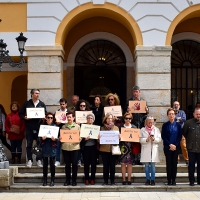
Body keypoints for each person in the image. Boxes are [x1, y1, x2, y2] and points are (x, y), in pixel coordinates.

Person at [19, 89, 47, 168]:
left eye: (38, 93)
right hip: (29, 127)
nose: (37, 95)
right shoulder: (27, 103)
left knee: (39, 143)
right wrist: (24, 117)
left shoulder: (42, 104)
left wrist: (44, 118)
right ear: (32, 94)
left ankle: (38, 160)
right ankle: (30, 160)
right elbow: (20, 113)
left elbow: (45, 113)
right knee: (29, 144)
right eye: (36, 93)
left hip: (39, 127)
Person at [127, 86, 149, 165]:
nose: (136, 93)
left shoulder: (143, 102)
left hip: (141, 124)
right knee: (132, 142)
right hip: (132, 124)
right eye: (134, 92)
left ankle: (139, 159)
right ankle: (132, 159)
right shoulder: (129, 101)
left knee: (140, 142)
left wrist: (147, 111)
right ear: (133, 93)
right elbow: (126, 114)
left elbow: (146, 114)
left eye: (137, 92)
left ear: (139, 92)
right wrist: (128, 110)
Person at [162, 108, 182, 186]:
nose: (171, 115)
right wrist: (170, 144)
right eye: (170, 114)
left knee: (174, 164)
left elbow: (179, 136)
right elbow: (163, 136)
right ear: (167, 115)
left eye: (172, 114)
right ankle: (169, 180)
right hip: (167, 147)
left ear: (175, 115)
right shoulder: (165, 125)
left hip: (175, 147)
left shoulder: (178, 125)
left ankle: (173, 179)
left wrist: (175, 145)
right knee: (168, 164)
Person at [140, 116, 161, 186]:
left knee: (152, 165)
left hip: (153, 149)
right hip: (146, 149)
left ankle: (152, 180)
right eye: (149, 122)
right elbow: (140, 139)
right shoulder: (142, 130)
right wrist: (146, 139)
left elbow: (159, 139)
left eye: (152, 122)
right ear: (146, 122)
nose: (150, 124)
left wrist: (154, 139)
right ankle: (147, 179)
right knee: (146, 165)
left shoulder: (156, 129)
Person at [61, 112, 81, 186]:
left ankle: (74, 180)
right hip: (65, 148)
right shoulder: (63, 127)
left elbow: (81, 136)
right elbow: (61, 137)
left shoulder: (77, 127)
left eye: (70, 117)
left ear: (73, 118)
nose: (69, 118)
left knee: (74, 165)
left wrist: (80, 138)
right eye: (68, 117)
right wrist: (61, 138)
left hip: (74, 148)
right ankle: (67, 180)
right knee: (67, 165)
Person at [99, 113, 119, 185]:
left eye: (111, 118)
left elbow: (118, 140)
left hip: (113, 149)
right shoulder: (102, 128)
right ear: (105, 119)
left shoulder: (116, 128)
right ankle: (105, 181)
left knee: (112, 166)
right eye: (108, 118)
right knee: (106, 166)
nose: (109, 120)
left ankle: (112, 181)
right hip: (104, 150)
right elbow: (99, 141)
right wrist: (99, 138)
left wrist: (119, 137)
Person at [183, 108, 200, 186]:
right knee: (191, 166)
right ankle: (191, 180)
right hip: (191, 148)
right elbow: (185, 134)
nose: (198, 116)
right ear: (193, 114)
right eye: (197, 114)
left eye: (199, 114)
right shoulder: (188, 123)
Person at [40, 112, 57, 187]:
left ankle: (52, 180)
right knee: (45, 165)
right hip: (45, 148)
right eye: (48, 117)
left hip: (52, 148)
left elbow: (59, 138)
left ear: (53, 119)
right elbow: (38, 139)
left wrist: (55, 139)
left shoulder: (55, 127)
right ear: (46, 119)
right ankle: (45, 180)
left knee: (52, 165)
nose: (50, 119)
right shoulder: (43, 127)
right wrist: (42, 139)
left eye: (51, 118)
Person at [119, 112, 136, 185]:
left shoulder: (134, 127)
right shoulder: (121, 127)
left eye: (129, 118)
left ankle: (129, 179)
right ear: (124, 119)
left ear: (131, 119)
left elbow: (136, 137)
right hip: (123, 147)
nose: (128, 120)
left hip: (131, 147)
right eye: (126, 118)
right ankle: (123, 179)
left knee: (129, 164)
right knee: (123, 164)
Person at [81, 113, 97, 185]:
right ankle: (86, 178)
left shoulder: (96, 128)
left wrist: (98, 138)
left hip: (94, 148)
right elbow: (80, 139)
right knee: (86, 164)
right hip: (86, 148)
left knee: (93, 164)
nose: (90, 120)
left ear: (93, 120)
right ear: (86, 120)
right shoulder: (83, 127)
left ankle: (93, 178)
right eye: (88, 118)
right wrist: (85, 139)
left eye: (91, 118)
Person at [75, 99, 90, 167]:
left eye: (84, 105)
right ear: (79, 106)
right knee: (79, 146)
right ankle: (79, 160)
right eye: (81, 105)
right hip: (78, 131)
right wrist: (76, 122)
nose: (82, 107)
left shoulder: (89, 113)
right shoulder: (76, 114)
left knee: (84, 146)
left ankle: (84, 160)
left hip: (86, 130)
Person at [55, 98, 68, 167]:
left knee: (67, 147)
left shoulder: (69, 112)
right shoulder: (57, 112)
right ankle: (57, 160)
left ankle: (67, 161)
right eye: (61, 104)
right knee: (58, 147)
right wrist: (57, 123)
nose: (62, 105)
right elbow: (54, 122)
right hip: (59, 132)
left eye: (63, 104)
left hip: (67, 132)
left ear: (66, 104)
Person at [90, 95, 104, 164]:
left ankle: (101, 157)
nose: (96, 101)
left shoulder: (103, 109)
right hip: (93, 128)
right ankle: (96, 158)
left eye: (97, 100)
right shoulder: (91, 108)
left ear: (100, 101)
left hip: (101, 127)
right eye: (95, 100)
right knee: (95, 143)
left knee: (100, 143)